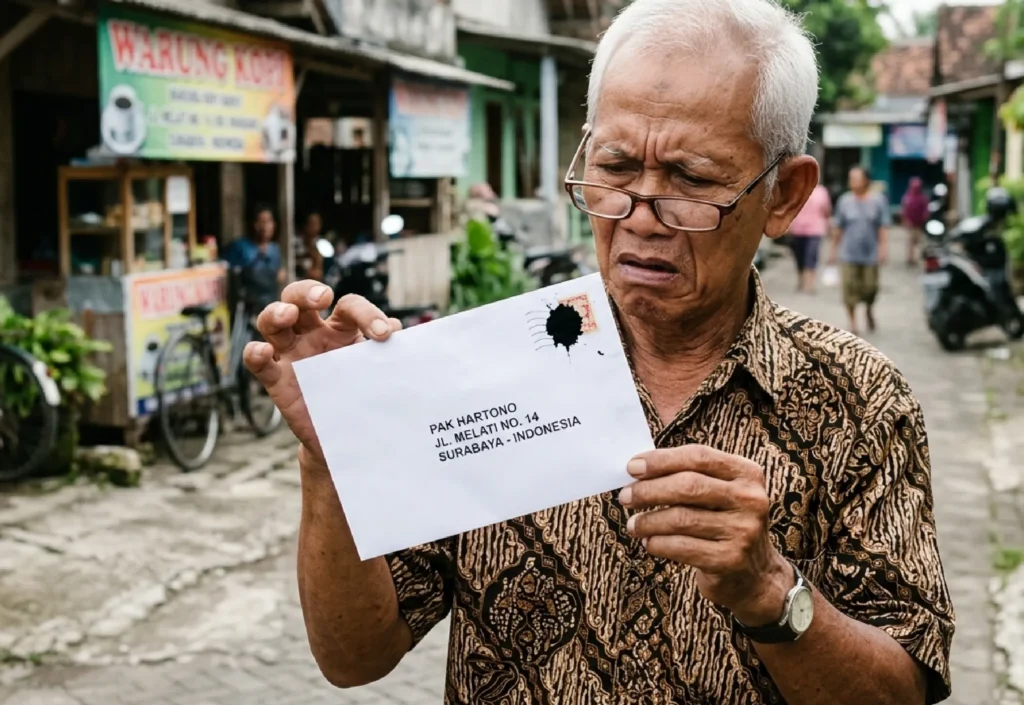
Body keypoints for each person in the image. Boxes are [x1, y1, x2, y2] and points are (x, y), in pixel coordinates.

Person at [244, 1, 954, 703]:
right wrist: (331, 454)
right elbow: (354, 654)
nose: (641, 214)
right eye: (615, 166)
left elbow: (902, 692)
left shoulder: (861, 402)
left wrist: (771, 592)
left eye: (693, 179)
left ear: (783, 193)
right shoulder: (480, 371)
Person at [829, 166, 891, 335]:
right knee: (849, 289)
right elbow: (838, 227)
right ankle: (853, 322)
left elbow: (883, 227)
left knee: (871, 288)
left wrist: (883, 248)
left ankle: (869, 309)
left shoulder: (878, 201)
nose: (852, 181)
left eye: (856, 177)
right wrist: (833, 251)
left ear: (866, 180)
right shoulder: (844, 201)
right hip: (848, 253)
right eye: (851, 178)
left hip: (870, 253)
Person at [222, 204, 286, 311]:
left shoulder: (274, 249)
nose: (266, 227)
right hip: (247, 308)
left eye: (269, 221)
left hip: (271, 305)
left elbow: (280, 274)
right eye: (262, 222)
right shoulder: (242, 247)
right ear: (254, 224)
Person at [786, 180, 832, 293]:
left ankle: (810, 284)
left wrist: (829, 225)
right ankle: (801, 280)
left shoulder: (821, 192)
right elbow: (790, 209)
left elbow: (827, 210)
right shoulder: (797, 190)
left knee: (811, 256)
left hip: (815, 230)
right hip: (798, 229)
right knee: (799, 257)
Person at [902, 177, 930, 265]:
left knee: (920, 241)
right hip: (911, 223)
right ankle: (911, 258)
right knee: (910, 241)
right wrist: (905, 220)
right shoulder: (908, 197)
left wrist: (925, 219)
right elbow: (904, 210)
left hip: (919, 224)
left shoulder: (923, 198)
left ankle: (920, 258)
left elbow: (926, 210)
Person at [295, 211, 325, 282]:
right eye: (312, 224)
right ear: (306, 225)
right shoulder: (296, 244)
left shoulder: (320, 243)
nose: (316, 227)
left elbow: (319, 271)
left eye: (318, 224)